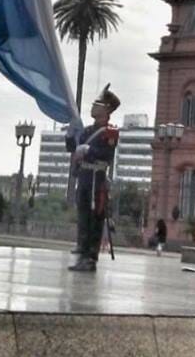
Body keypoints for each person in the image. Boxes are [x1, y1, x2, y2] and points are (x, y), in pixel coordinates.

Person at [65, 84, 120, 273]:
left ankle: (91, 258)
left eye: (97, 104)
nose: (93, 107)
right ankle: (82, 250)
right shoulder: (87, 130)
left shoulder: (110, 132)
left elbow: (106, 156)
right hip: (85, 177)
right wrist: (70, 136)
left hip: (97, 179)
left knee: (94, 218)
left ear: (106, 110)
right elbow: (73, 148)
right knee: (83, 217)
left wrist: (89, 151)